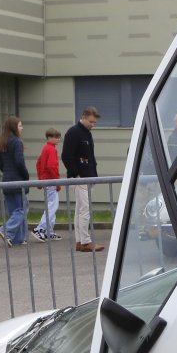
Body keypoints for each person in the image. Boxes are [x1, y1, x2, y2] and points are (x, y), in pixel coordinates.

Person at [62, 106, 105, 253]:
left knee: (80, 210)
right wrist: (76, 174)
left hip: (87, 176)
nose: (93, 125)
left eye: (94, 122)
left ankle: (80, 241)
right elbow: (66, 155)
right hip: (81, 178)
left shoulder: (86, 133)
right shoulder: (74, 132)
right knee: (84, 210)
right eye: (91, 122)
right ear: (84, 117)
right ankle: (85, 241)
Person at [0, 116, 29, 247]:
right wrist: (25, 176)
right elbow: (19, 162)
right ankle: (5, 230)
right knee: (22, 209)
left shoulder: (2, 142)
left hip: (6, 181)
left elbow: (0, 163)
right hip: (18, 181)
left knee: (14, 211)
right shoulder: (17, 142)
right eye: (20, 126)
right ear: (14, 127)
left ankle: (17, 239)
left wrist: (7, 173)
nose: (22, 128)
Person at [31, 128, 62, 242]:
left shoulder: (45, 148)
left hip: (46, 181)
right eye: (56, 137)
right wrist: (57, 181)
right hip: (51, 181)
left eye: (59, 137)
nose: (58, 139)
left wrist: (41, 179)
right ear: (49, 138)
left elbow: (39, 164)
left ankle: (48, 231)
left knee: (51, 205)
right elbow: (51, 166)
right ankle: (40, 228)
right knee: (52, 206)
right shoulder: (52, 149)